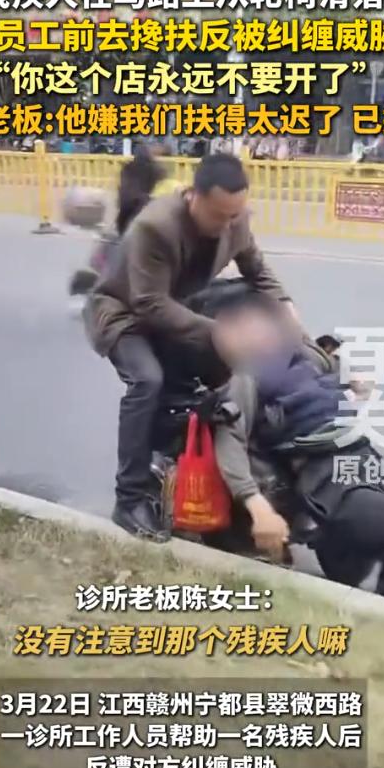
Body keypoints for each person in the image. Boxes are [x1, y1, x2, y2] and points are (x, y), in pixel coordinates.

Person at [211, 298, 384, 625]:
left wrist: (350, 378)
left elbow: (328, 363)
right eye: (241, 325)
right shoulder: (245, 379)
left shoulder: (303, 357)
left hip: (364, 458)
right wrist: (258, 508)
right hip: (327, 476)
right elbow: (229, 443)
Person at [83, 154, 294, 538]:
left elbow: (257, 271)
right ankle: (129, 499)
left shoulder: (234, 220)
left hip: (180, 309)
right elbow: (148, 303)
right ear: (193, 196)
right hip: (125, 313)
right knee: (147, 380)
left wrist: (287, 312)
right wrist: (219, 331)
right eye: (218, 215)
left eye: (234, 215)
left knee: (236, 369)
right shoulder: (156, 227)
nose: (226, 224)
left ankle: (227, 475)